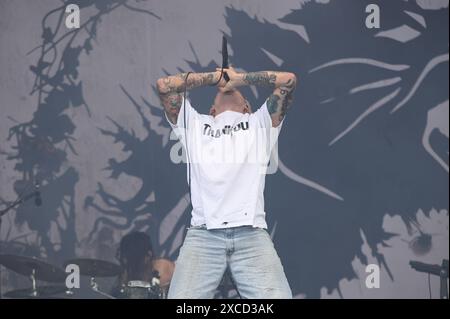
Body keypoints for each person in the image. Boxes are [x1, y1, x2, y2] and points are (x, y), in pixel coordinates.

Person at [156, 66, 297, 299]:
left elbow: (288, 80)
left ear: (247, 108)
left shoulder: (258, 123)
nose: (226, 88)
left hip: (250, 233)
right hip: (203, 234)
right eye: (221, 89)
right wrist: (215, 77)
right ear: (211, 111)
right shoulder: (195, 124)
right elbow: (165, 86)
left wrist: (239, 78)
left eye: (234, 89)